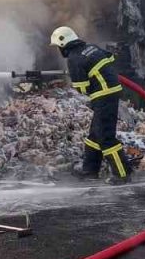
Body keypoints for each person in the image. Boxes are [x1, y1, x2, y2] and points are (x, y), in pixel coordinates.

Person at [50, 26, 133, 184]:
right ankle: (89, 171)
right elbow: (110, 58)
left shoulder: (74, 59)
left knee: (105, 137)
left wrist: (77, 74)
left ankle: (122, 174)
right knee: (95, 135)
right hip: (110, 92)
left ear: (62, 45)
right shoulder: (90, 47)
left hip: (103, 96)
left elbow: (82, 87)